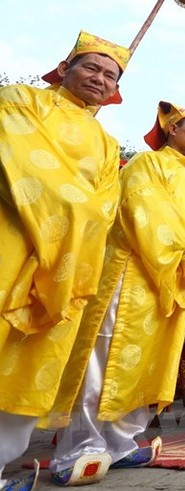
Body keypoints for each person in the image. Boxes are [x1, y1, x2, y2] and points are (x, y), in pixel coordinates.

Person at [49, 101, 185, 483]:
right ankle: (78, 448)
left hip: (171, 282)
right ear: (172, 128)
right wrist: (179, 257)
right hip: (132, 274)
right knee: (103, 358)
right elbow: (142, 212)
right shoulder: (146, 163)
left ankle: (121, 443)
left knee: (148, 363)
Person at [0, 30, 127, 490]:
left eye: (110, 75)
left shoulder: (107, 144)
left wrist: (77, 225)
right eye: (91, 66)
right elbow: (19, 161)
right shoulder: (20, 99)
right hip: (13, 238)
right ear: (64, 68)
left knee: (32, 361)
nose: (100, 78)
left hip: (68, 262)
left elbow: (106, 207)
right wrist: (75, 211)